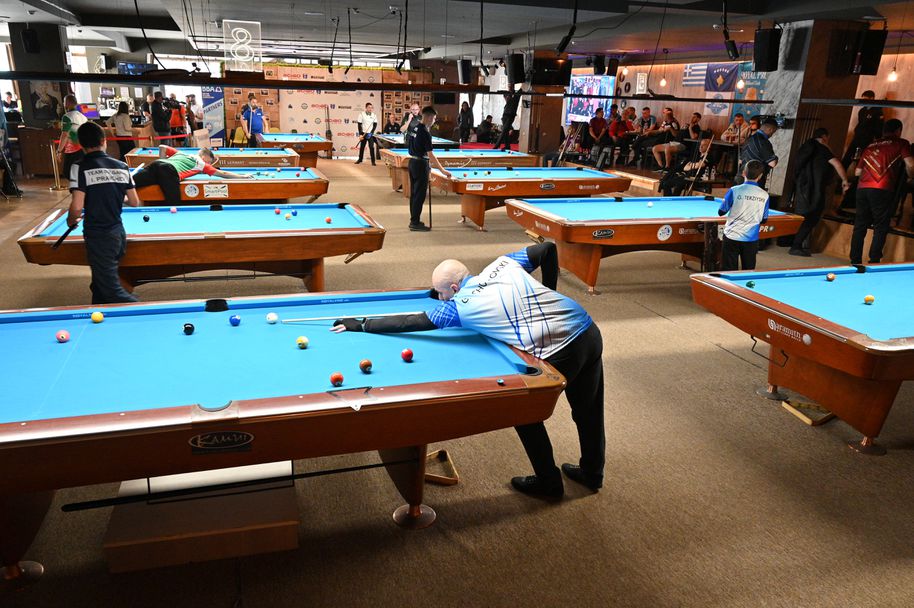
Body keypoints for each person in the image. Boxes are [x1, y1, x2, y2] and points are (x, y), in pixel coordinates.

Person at [329, 242, 605, 501]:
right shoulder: (504, 263)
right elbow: (547, 249)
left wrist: (361, 324)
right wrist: (549, 290)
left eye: (441, 294)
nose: (440, 299)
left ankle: (549, 484)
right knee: (589, 409)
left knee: (526, 414)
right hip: (587, 329)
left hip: (559, 349)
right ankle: (592, 473)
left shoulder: (461, 307)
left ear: (453, 288)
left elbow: (410, 322)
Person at [66, 122, 142, 304]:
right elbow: (134, 202)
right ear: (103, 141)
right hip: (118, 234)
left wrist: (71, 220)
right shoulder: (121, 166)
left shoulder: (79, 166)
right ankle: (99, 314)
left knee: (113, 292)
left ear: (80, 144)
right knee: (100, 286)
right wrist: (114, 195)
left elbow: (77, 207)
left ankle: (147, 313)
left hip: (99, 236)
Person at [849, 119, 914, 265]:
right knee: (880, 225)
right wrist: (911, 176)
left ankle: (855, 260)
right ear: (898, 130)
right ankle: (874, 260)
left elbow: (857, 172)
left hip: (862, 189)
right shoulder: (901, 143)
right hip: (882, 189)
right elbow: (911, 164)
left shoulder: (871, 145)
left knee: (860, 225)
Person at [789, 128, 850, 257]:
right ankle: (796, 246)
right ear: (825, 137)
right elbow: (837, 164)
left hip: (802, 186)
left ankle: (794, 243)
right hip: (815, 189)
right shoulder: (823, 149)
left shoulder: (805, 147)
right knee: (812, 217)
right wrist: (845, 180)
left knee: (802, 216)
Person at [132, 145, 248, 206]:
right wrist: (242, 177)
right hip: (170, 172)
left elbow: (162, 147)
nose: (209, 165)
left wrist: (162, 161)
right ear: (204, 157)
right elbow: (223, 173)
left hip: (156, 165)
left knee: (130, 183)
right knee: (174, 205)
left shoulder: (182, 154)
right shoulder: (201, 163)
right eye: (209, 162)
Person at [405, 106, 451, 231]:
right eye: (434, 118)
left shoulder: (414, 127)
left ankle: (414, 220)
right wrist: (442, 170)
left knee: (414, 194)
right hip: (420, 164)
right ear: (429, 117)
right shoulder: (425, 132)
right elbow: (430, 155)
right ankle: (414, 223)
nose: (434, 121)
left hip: (412, 162)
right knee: (419, 195)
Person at [718, 160, 770, 271]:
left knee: (728, 270)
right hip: (751, 238)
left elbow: (721, 211)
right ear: (760, 176)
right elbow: (764, 219)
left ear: (743, 173)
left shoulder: (734, 190)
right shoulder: (765, 195)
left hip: (731, 236)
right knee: (748, 270)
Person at [660, 131, 714, 196]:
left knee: (678, 185)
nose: (701, 146)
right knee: (666, 183)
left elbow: (700, 165)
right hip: (686, 176)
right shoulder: (696, 155)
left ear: (709, 147)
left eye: (704, 145)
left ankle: (674, 200)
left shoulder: (709, 156)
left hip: (696, 179)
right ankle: (669, 200)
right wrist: (693, 165)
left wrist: (691, 165)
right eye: (700, 145)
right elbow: (685, 168)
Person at [842, 90, 884, 169]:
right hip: (858, 137)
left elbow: (879, 127)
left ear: (872, 98)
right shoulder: (862, 111)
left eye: (865, 99)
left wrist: (877, 139)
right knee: (847, 157)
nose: (863, 101)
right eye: (863, 99)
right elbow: (860, 123)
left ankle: (858, 175)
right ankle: (841, 174)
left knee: (862, 160)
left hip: (867, 139)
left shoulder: (877, 111)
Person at [739, 117, 778, 188]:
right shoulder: (764, 142)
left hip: (741, 177)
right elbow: (772, 163)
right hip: (754, 180)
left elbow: (740, 161)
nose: (772, 134)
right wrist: (776, 158)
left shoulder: (749, 139)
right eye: (773, 132)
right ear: (770, 129)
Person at [57, 94, 88, 182]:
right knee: (78, 172)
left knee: (68, 172)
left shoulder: (67, 117)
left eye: (64, 102)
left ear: (67, 103)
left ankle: (78, 188)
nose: (63, 104)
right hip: (83, 148)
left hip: (73, 149)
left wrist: (59, 150)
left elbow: (65, 135)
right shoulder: (83, 117)